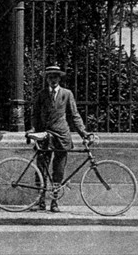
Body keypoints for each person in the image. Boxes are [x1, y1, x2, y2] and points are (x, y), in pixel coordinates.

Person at [31, 65, 91, 213]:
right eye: (50, 77)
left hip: (62, 136)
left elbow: (74, 115)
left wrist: (84, 133)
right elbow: (34, 115)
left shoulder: (67, 94)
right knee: (41, 168)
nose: (53, 79)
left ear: (59, 78)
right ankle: (40, 200)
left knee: (58, 170)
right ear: (47, 79)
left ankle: (55, 201)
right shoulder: (41, 94)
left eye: (55, 77)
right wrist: (35, 131)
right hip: (45, 135)